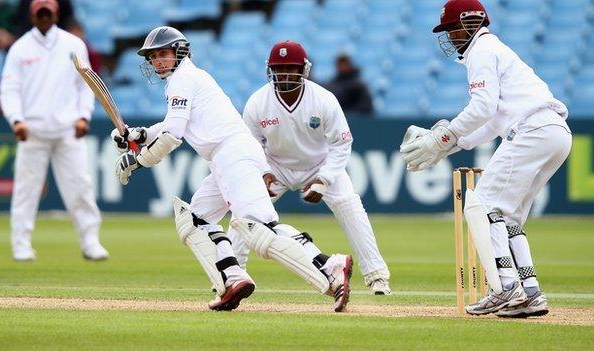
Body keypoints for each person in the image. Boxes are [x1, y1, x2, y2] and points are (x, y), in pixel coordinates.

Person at [112, 26, 353, 312]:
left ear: (180, 52)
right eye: (152, 57)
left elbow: (174, 135)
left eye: (162, 54)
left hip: (232, 154)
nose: (157, 62)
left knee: (259, 228)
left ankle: (331, 266)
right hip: (226, 157)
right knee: (196, 220)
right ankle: (233, 278)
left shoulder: (182, 78)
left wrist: (140, 160)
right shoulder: (187, 78)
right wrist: (139, 135)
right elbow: (173, 124)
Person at [399, 0, 571, 318]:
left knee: (481, 205)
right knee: (508, 219)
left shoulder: (481, 50)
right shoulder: (493, 50)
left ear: (471, 21)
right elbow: (491, 122)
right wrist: (452, 144)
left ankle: (505, 288)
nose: (450, 36)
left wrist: (441, 138)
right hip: (555, 133)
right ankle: (530, 293)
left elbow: (482, 108)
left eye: (452, 28)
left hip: (531, 131)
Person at [227, 40, 391, 295]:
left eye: (290, 68)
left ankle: (377, 276)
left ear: (303, 70)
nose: (285, 75)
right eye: (279, 69)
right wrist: (261, 172)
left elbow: (341, 144)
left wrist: (324, 179)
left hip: (319, 164)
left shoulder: (323, 99)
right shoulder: (258, 101)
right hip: (275, 166)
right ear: (270, 70)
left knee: (350, 207)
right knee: (243, 213)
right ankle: (234, 277)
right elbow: (249, 145)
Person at [0, 0, 108, 262]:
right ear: (33, 15)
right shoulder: (20, 48)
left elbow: (86, 85)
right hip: (32, 130)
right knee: (26, 190)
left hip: (67, 129)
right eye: (41, 13)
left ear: (56, 13)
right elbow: (9, 90)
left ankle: (90, 241)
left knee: (80, 187)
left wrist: (84, 116)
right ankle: (21, 245)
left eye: (48, 13)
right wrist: (16, 120)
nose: (45, 18)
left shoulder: (73, 44)